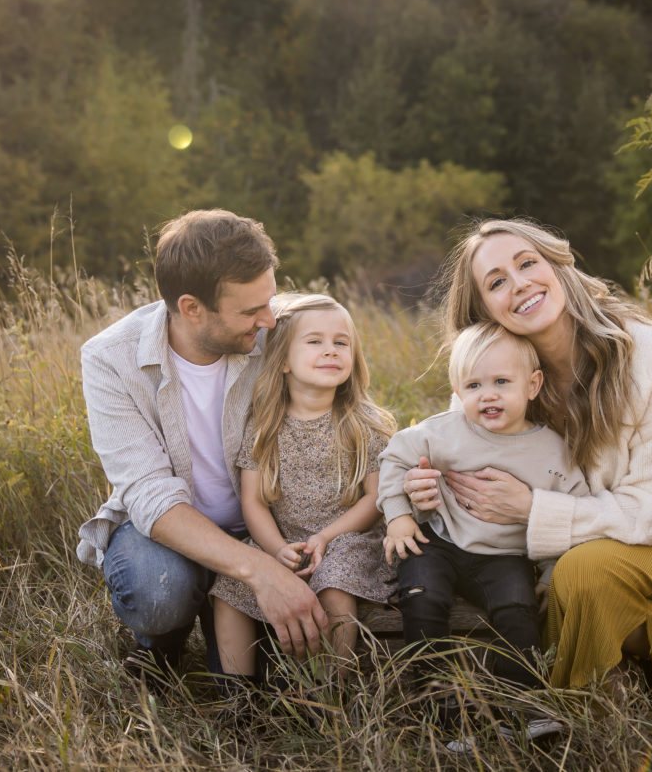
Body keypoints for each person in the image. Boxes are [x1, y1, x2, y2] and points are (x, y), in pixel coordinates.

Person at [403, 218, 652, 697]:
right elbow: (467, 485)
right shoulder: (492, 379)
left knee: (580, 573)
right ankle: (617, 653)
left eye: (527, 263)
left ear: (558, 263)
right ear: (483, 309)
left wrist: (534, 509)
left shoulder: (648, 355)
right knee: (533, 580)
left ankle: (618, 677)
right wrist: (426, 493)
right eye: (496, 283)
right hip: (549, 555)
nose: (519, 285)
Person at [76, 209, 329, 683]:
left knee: (269, 674)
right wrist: (261, 572)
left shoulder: (278, 333)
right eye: (251, 311)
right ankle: (161, 644)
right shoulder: (111, 359)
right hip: (170, 533)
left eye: (270, 301)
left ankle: (230, 625)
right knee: (158, 591)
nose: (269, 320)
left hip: (269, 523)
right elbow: (149, 495)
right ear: (192, 308)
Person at [377, 322, 591, 735]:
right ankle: (437, 708)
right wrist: (398, 514)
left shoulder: (553, 450)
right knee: (422, 596)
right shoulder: (443, 432)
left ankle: (521, 705)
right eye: (473, 385)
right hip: (439, 540)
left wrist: (550, 570)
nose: (487, 394)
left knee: (518, 609)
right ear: (458, 392)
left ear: (532, 385)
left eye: (501, 382)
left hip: (504, 556)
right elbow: (394, 459)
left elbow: (572, 511)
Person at [209, 293, 396, 678]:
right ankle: (236, 696)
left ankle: (326, 691)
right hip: (286, 541)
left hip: (348, 539)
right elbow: (254, 502)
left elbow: (376, 499)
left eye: (340, 342)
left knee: (335, 583)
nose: (331, 351)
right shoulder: (263, 429)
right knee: (229, 588)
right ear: (281, 363)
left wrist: (327, 536)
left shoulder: (365, 425)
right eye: (315, 342)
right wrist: (276, 549)